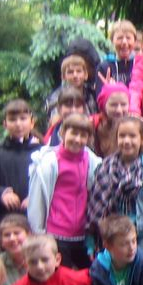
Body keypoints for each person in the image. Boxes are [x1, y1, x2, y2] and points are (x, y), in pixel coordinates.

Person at [87, 115, 143, 285]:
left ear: (142, 139)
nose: (127, 141)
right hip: (112, 235)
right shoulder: (104, 167)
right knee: (114, 280)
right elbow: (95, 208)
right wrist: (91, 241)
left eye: (132, 136)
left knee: (137, 282)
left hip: (139, 237)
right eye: (122, 136)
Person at [27, 113, 101, 269]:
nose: (77, 139)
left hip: (82, 234)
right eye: (73, 133)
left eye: (83, 135)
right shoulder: (49, 162)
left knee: (87, 277)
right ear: (62, 133)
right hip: (56, 233)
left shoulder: (92, 160)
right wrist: (38, 232)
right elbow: (37, 199)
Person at [0, 99, 41, 232]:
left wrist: (36, 197)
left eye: (23, 118)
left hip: (36, 222)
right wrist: (1, 193)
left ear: (32, 122)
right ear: (5, 124)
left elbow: (54, 186)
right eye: (13, 120)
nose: (18, 124)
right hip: (4, 222)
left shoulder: (43, 153)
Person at [46, 54, 96, 120]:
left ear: (85, 75)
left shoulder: (92, 93)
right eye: (70, 72)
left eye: (79, 71)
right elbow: (54, 120)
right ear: (63, 77)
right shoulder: (56, 97)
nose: (75, 75)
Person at [95, 19, 137, 93]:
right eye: (120, 38)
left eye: (128, 38)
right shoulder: (104, 67)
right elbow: (99, 97)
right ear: (112, 41)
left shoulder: (140, 65)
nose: (124, 42)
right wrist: (108, 89)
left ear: (134, 41)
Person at [92, 82, 130, 157]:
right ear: (104, 106)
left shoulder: (138, 126)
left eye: (123, 105)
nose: (119, 110)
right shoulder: (93, 124)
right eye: (113, 105)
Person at [0, 213, 31, 285]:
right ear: (1, 242)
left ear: (29, 235)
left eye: (17, 233)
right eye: (7, 235)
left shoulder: (41, 260)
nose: (12, 238)